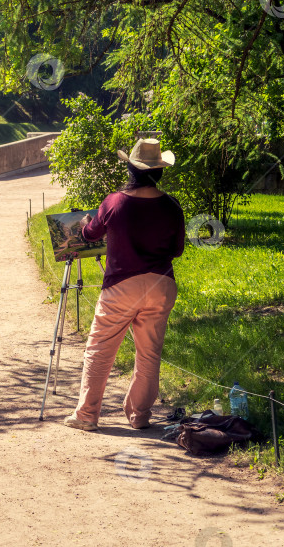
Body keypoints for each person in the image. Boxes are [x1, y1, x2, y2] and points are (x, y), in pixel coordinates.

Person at [64, 138, 185, 431]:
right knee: (149, 354)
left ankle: (87, 415)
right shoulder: (171, 206)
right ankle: (139, 416)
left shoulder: (114, 201)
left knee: (100, 349)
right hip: (161, 283)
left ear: (131, 169)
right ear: (159, 171)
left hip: (122, 286)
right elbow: (177, 250)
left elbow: (92, 234)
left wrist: (84, 224)